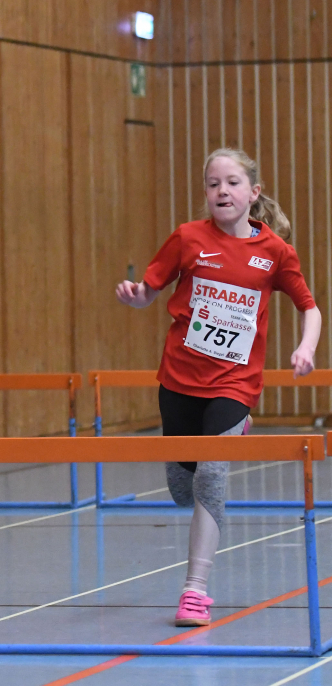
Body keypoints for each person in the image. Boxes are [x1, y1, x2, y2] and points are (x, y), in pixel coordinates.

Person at [115, 148, 321, 626]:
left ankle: (194, 591)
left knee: (211, 477)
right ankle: (197, 459)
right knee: (182, 487)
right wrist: (136, 297)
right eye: (212, 184)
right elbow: (150, 290)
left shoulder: (274, 253)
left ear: (254, 191)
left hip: (235, 382)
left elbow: (308, 307)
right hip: (180, 378)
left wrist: (306, 348)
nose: (221, 191)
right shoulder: (187, 238)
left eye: (231, 183)